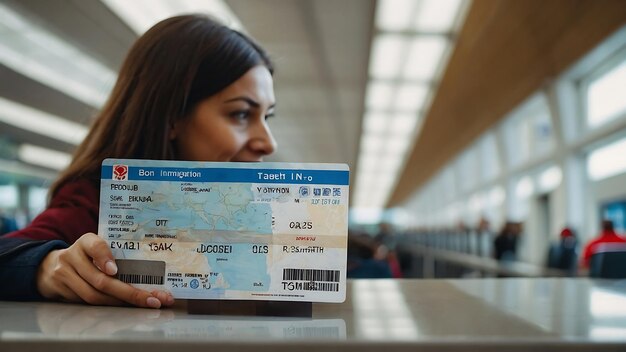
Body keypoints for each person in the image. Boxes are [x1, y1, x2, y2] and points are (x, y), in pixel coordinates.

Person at [0, 14, 276, 308]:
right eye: (241, 114)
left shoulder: (262, 215)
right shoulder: (99, 202)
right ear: (171, 117)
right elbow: (9, 252)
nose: (269, 143)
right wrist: (46, 265)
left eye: (267, 116)